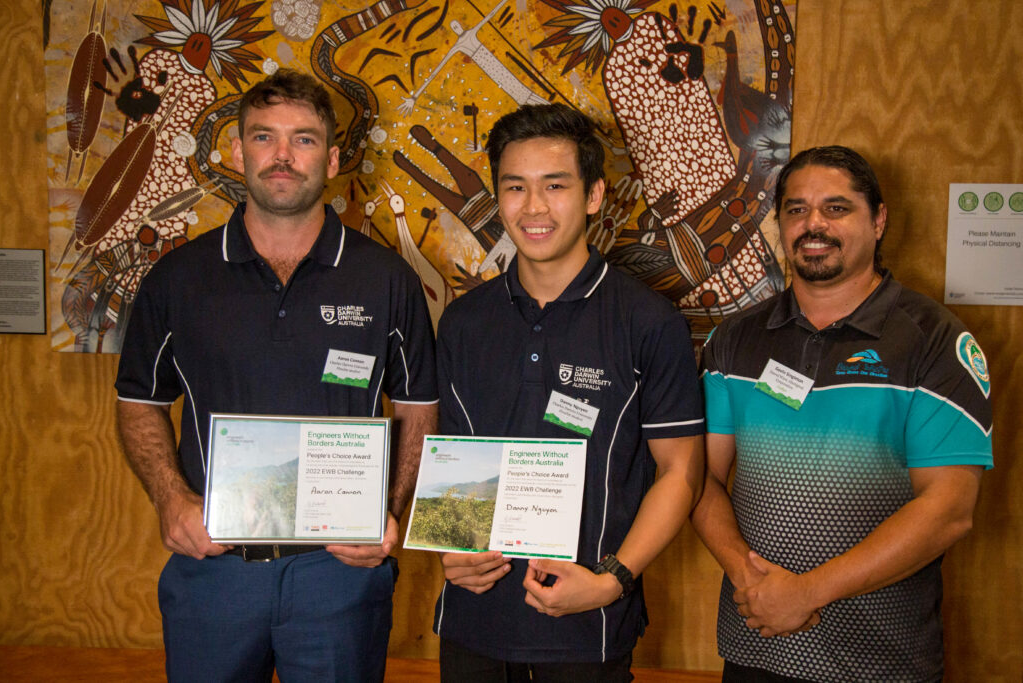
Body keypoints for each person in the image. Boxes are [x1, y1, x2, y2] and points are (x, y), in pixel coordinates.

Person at [114, 69, 438, 682]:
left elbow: (418, 407)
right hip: (215, 565)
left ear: (334, 157)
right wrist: (170, 498)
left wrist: (388, 515)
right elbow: (139, 401)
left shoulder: (386, 280)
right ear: (237, 151)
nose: (283, 156)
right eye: (264, 138)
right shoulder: (178, 279)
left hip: (339, 571)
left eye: (305, 139)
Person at [691, 146, 993, 682]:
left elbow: (949, 508)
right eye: (796, 209)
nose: (813, 225)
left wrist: (806, 592)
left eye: (836, 208)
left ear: (878, 220)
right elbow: (700, 479)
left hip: (882, 658)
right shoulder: (734, 341)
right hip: (755, 643)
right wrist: (749, 577)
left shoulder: (934, 340)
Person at [431, 103, 705, 681]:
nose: (534, 208)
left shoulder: (648, 323)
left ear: (594, 195)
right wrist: (451, 552)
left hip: (589, 622)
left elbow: (680, 472)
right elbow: (454, 453)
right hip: (474, 619)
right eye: (515, 187)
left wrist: (614, 578)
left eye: (555, 186)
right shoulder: (462, 322)